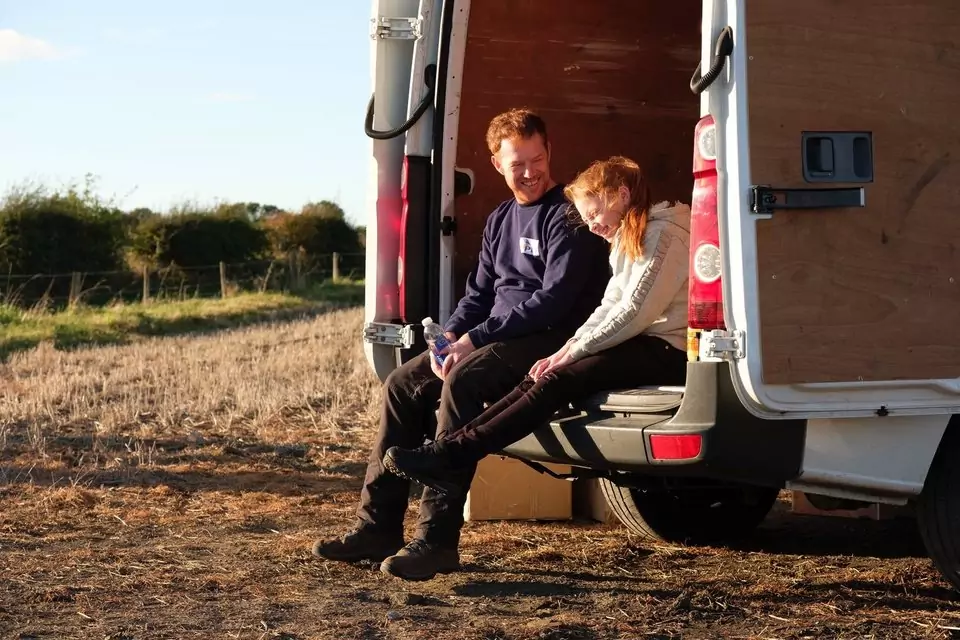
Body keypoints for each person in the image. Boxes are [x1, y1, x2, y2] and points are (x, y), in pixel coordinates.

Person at [312, 108, 610, 581]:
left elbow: (553, 301)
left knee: (464, 381)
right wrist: (449, 336)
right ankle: (377, 526)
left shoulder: (568, 215)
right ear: (497, 164)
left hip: (550, 337)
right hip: (497, 334)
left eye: (537, 160)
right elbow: (479, 295)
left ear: (549, 152)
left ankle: (436, 540)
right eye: (517, 164)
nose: (529, 173)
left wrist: (475, 340)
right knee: (401, 384)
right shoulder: (500, 219)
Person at [382, 155, 690, 499]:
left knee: (558, 379)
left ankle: (450, 455)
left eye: (593, 215)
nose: (592, 227)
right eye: (586, 219)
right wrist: (566, 349)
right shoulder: (629, 237)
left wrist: (573, 352)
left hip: (667, 348)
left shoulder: (664, 235)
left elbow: (633, 312)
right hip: (640, 342)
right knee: (540, 375)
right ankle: (450, 452)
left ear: (621, 195)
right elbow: (609, 305)